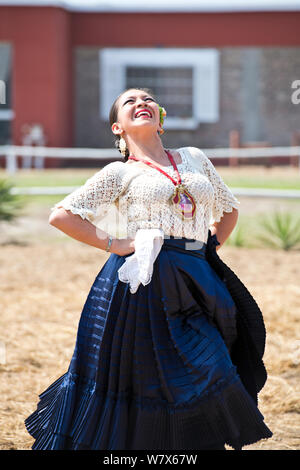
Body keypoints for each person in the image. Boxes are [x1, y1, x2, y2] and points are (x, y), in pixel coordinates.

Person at [25, 87, 272, 450]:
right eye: (130, 102)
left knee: (212, 364)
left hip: (199, 276)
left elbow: (228, 208)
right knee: (143, 379)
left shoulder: (193, 157)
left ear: (161, 116)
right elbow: (61, 216)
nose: (141, 103)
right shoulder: (118, 173)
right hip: (143, 282)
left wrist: (206, 248)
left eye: (147, 99)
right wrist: (117, 243)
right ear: (117, 129)